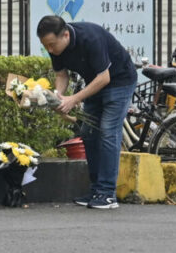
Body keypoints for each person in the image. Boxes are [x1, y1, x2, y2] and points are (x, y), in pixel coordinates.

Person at [36, 14, 137, 210]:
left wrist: (74, 99)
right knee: (89, 133)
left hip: (119, 81)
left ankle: (107, 194)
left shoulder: (91, 38)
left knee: (108, 132)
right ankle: (96, 190)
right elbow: (61, 74)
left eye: (51, 44)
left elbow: (104, 77)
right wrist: (58, 98)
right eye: (45, 45)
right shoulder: (55, 46)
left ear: (65, 35)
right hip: (94, 84)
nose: (49, 50)